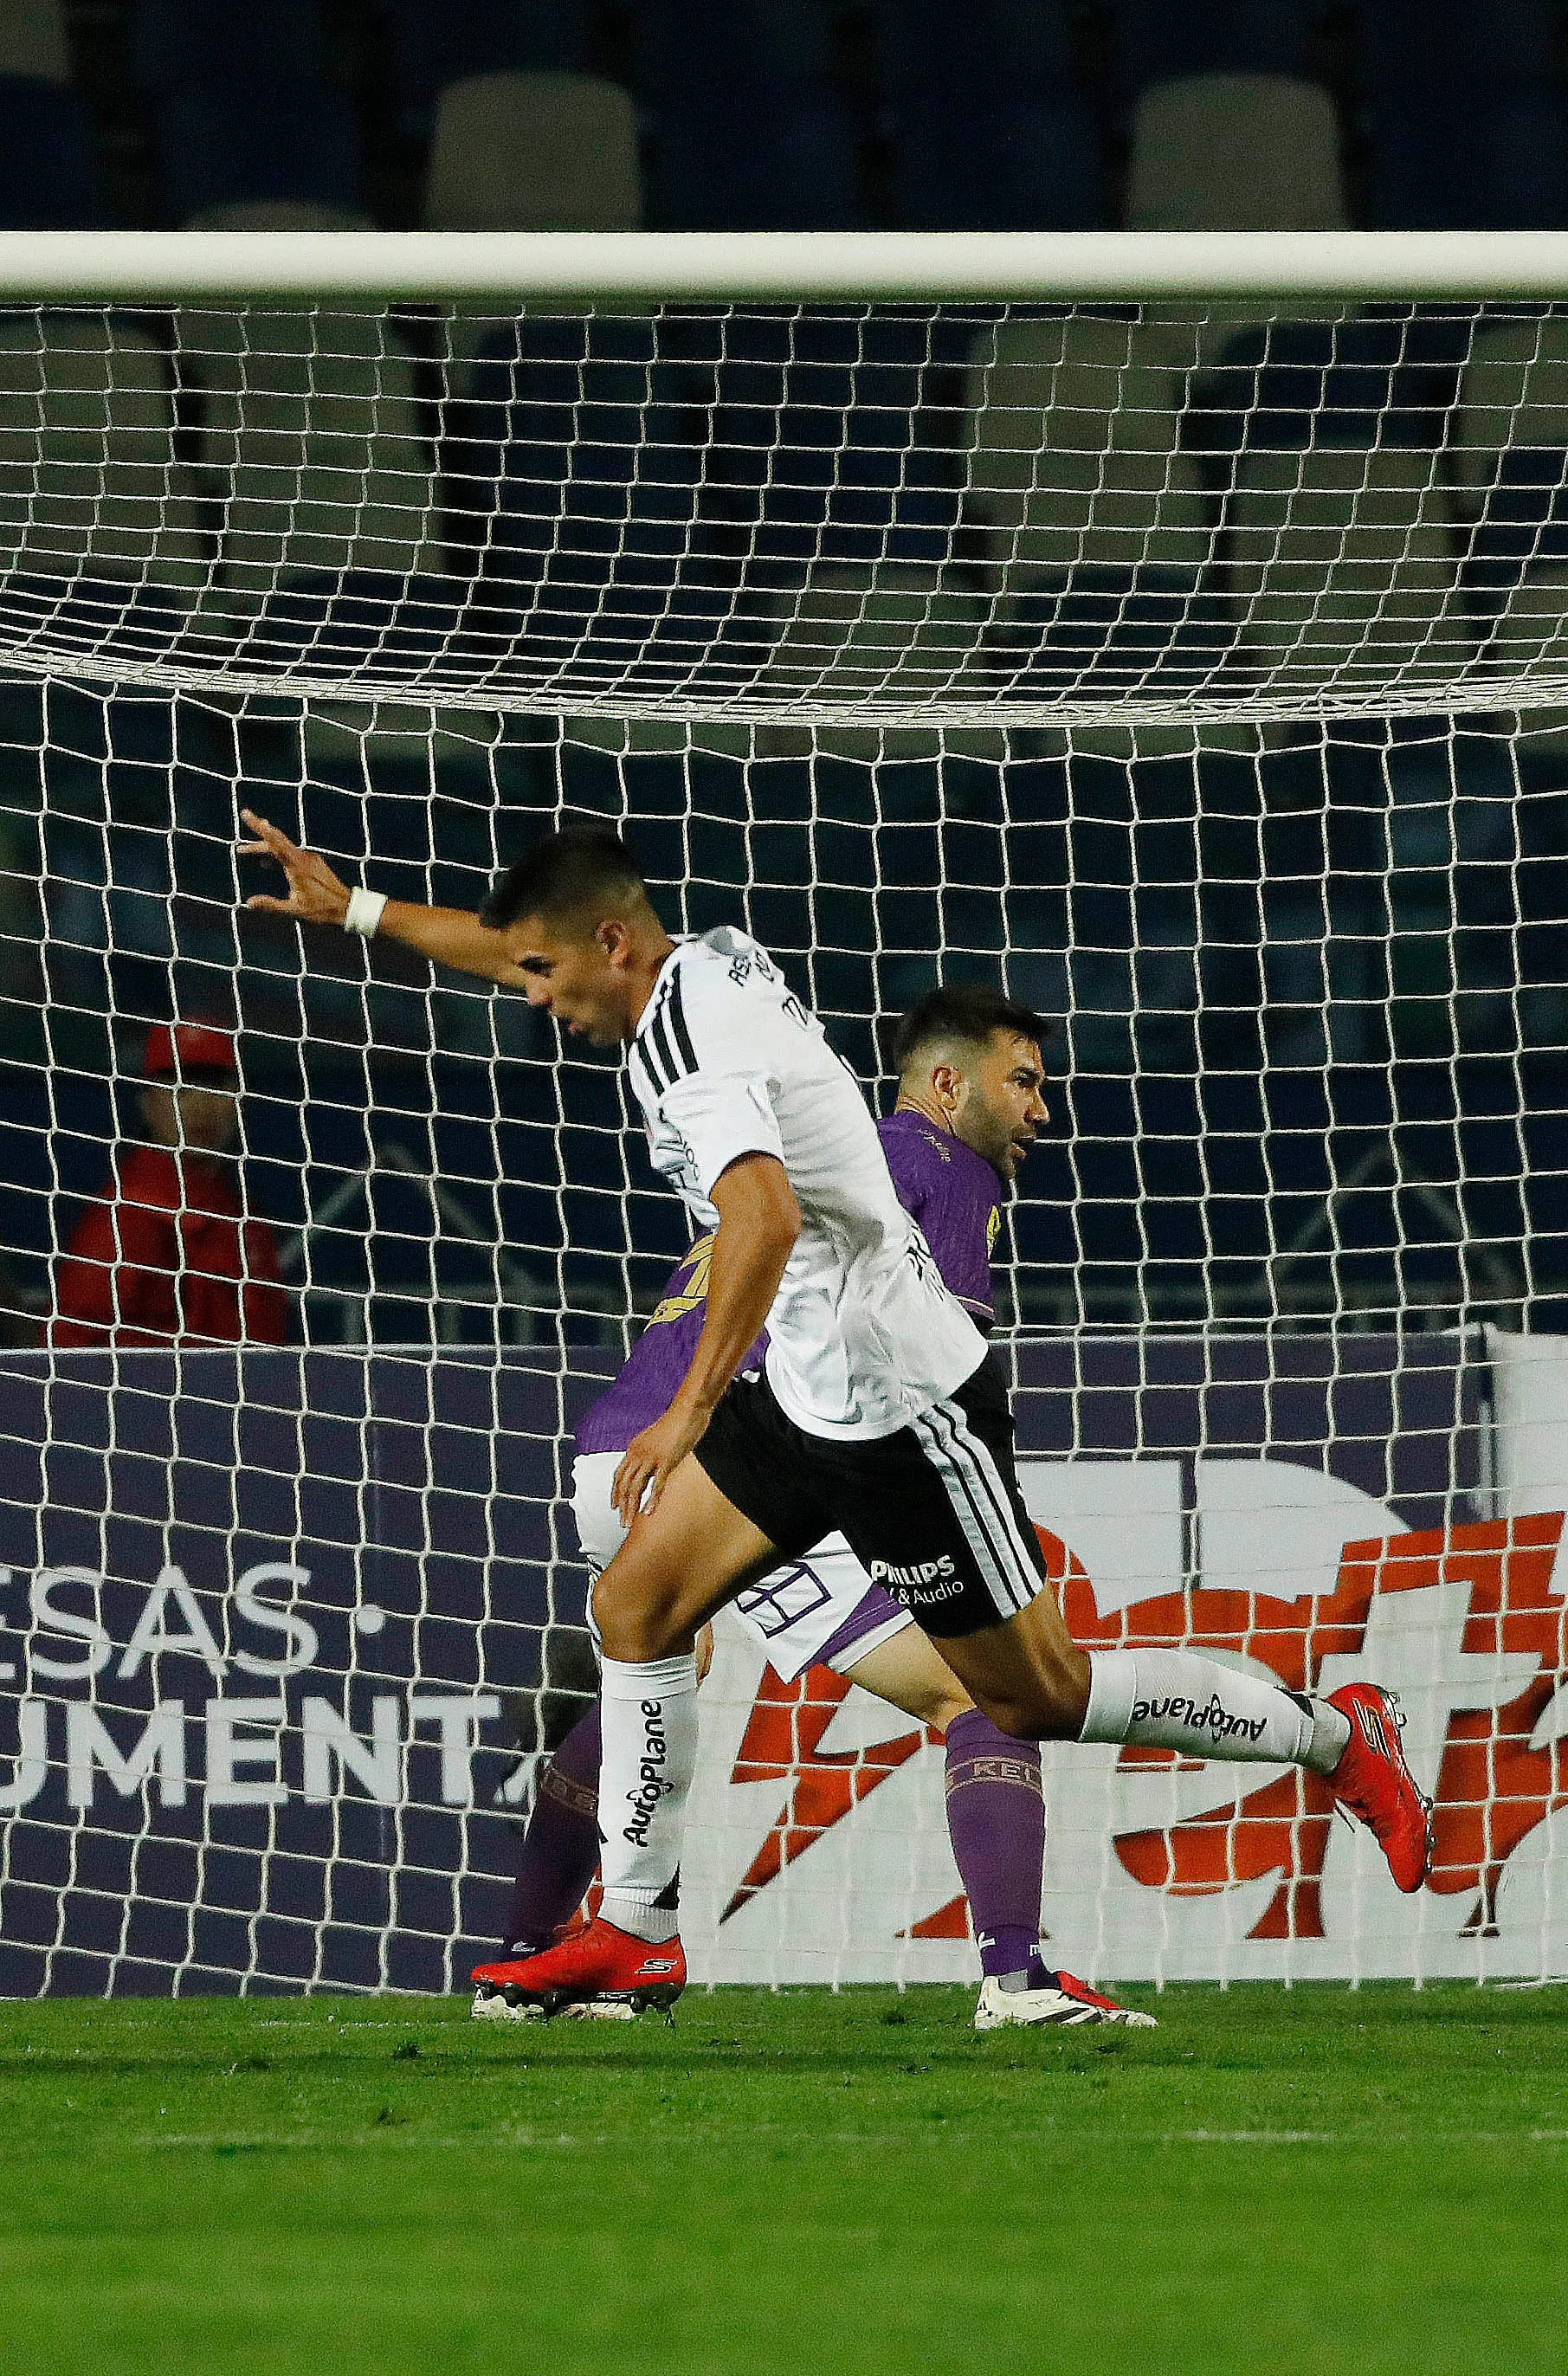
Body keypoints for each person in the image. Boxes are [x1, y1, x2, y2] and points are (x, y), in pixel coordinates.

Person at [239, 816, 1435, 2019]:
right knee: (635, 1608)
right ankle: (634, 1929)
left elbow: (756, 1219)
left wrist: (681, 1418)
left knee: (1034, 1698)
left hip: (896, 1404)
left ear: (611, 945)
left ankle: (1331, 1736)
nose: (532, 997)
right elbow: (516, 953)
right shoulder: (706, 956)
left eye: (548, 975)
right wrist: (355, 912)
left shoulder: (683, 1058)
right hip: (803, 1391)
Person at [481, 984, 1154, 2030]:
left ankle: (532, 1958)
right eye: (1022, 1081)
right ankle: (1018, 1980)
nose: (1039, 1111)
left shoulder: (804, 1151)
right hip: (726, 1444)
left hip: (617, 1442)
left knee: (658, 1658)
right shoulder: (937, 1159)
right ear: (945, 1082)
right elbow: (932, 1360)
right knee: (978, 1693)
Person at [50, 1023, 290, 1347]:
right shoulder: (127, 1219)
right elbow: (74, 1352)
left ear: (240, 1104)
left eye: (216, 1086)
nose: (201, 1105)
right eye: (182, 1087)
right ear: (149, 1106)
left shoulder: (240, 1213)